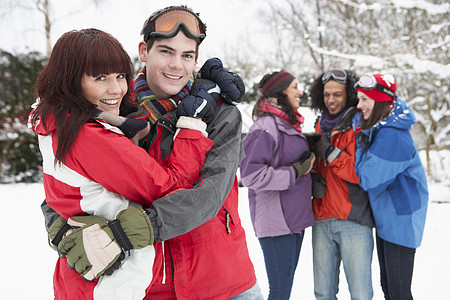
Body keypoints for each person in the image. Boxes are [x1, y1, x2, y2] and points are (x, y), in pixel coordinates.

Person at [43, 5, 262, 300]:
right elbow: (66, 179)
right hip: (145, 286)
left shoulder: (219, 113)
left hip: (222, 284)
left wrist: (125, 232)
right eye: (166, 51)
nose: (177, 65)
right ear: (144, 51)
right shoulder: (113, 103)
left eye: (187, 55)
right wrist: (61, 229)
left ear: (196, 59)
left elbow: (209, 196)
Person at [29, 28, 215, 299]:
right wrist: (191, 129)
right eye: (100, 78)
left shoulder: (57, 123)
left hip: (85, 280)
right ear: (71, 81)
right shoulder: (89, 137)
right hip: (109, 286)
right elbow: (170, 188)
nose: (115, 89)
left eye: (120, 76)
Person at [239, 71, 315, 299]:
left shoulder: (285, 124)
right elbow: (250, 175)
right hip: (276, 223)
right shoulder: (264, 127)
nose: (300, 92)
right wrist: (294, 171)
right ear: (280, 92)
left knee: (285, 288)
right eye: (294, 87)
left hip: (294, 220)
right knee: (280, 292)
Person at [354, 73, 428, 300]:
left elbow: (367, 177)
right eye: (358, 99)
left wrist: (357, 134)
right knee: (389, 287)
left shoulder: (393, 135)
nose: (359, 106)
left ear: (381, 100)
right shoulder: (382, 128)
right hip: (390, 219)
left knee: (397, 292)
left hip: (400, 220)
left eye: (365, 99)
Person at [308, 68, 375, 300]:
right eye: (327, 95)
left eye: (337, 94)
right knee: (323, 293)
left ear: (349, 94)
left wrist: (328, 151)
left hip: (353, 219)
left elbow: (360, 172)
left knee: (360, 293)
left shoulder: (360, 124)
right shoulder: (318, 124)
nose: (331, 100)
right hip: (321, 218)